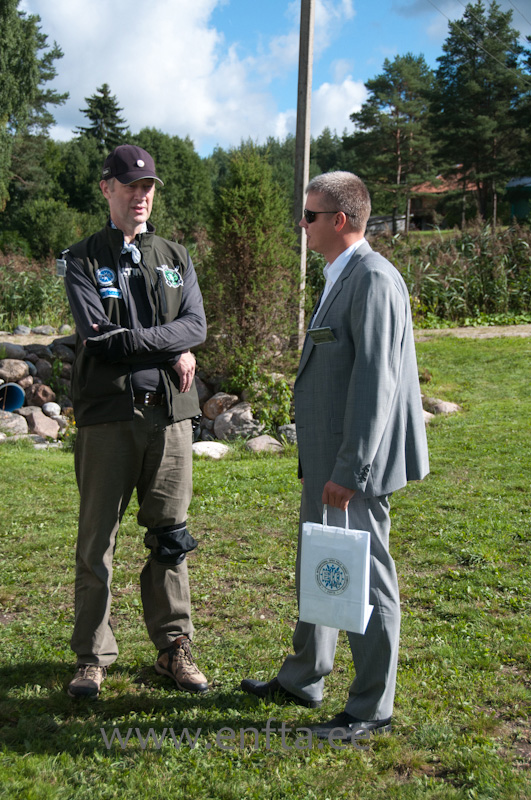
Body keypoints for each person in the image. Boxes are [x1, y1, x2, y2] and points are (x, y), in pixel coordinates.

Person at [241, 172, 429, 741]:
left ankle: (372, 709)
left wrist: (351, 469)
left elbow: (377, 383)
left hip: (354, 464)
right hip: (329, 457)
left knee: (367, 579)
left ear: (340, 220)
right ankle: (305, 677)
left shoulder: (373, 279)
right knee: (323, 560)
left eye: (310, 216)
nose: (303, 225)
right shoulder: (340, 275)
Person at [59, 144, 208, 699]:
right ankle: (91, 657)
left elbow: (197, 325)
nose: (141, 196)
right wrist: (169, 348)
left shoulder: (174, 254)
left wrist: (158, 343)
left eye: (148, 187)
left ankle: (173, 649)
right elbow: (98, 336)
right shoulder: (81, 259)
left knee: (170, 537)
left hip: (170, 418)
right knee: (97, 542)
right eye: (130, 185)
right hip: (107, 418)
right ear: (107, 189)